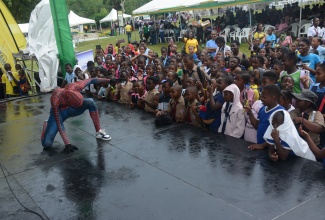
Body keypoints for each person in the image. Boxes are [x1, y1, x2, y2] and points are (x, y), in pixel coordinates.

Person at [41, 78, 112, 153]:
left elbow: (92, 80)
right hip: (60, 113)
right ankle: (46, 124)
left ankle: (99, 131)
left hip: (71, 109)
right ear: (70, 101)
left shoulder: (76, 86)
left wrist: (109, 80)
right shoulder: (55, 99)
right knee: (47, 144)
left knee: (90, 102)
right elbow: (59, 123)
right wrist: (67, 143)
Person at [246, 84, 285, 149]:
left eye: (264, 97)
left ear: (273, 97)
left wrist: (263, 145)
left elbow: (279, 135)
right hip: (260, 145)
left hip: (271, 149)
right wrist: (250, 113)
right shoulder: (263, 109)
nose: (261, 99)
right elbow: (257, 126)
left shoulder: (280, 112)